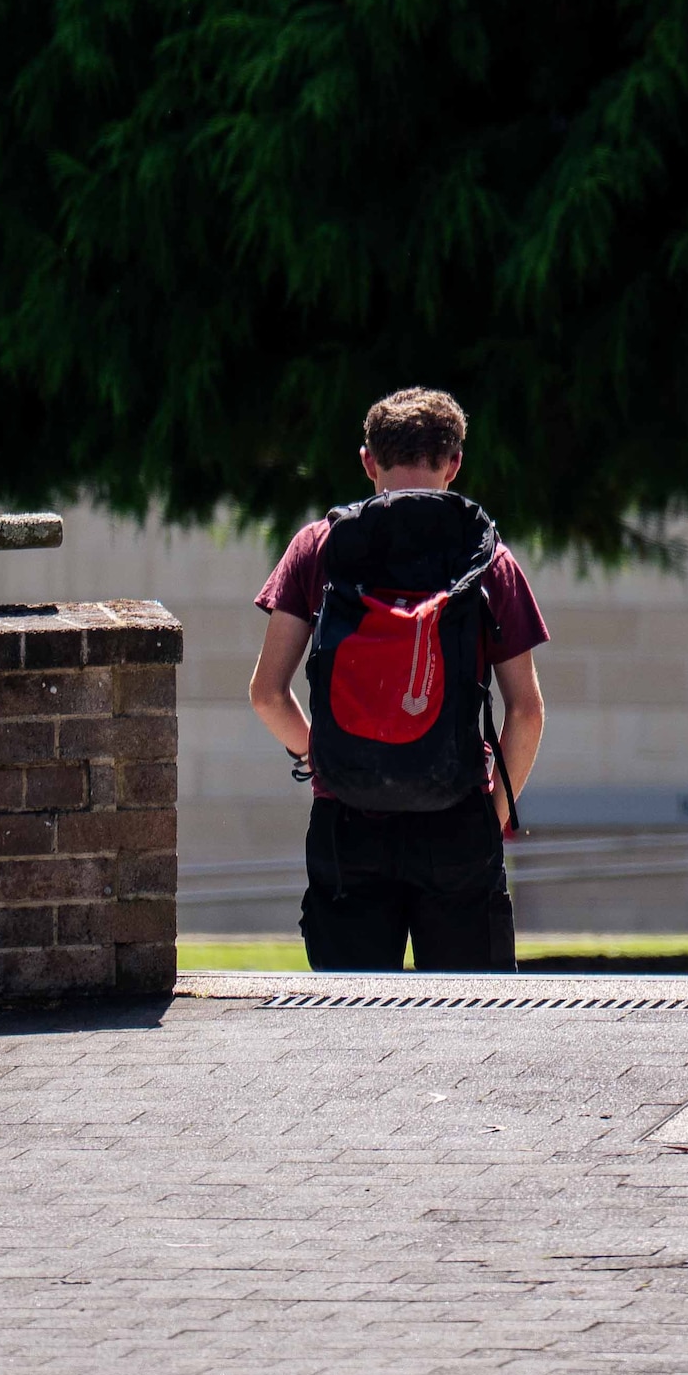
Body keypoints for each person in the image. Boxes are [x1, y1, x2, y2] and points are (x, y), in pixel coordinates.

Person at [249, 386, 549, 971]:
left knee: (351, 1021)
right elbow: (528, 711)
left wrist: (326, 757)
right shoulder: (487, 556)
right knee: (472, 1022)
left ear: (368, 461)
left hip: (347, 820)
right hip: (457, 813)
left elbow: (266, 693)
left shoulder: (319, 546)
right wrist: (487, 820)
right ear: (455, 463)